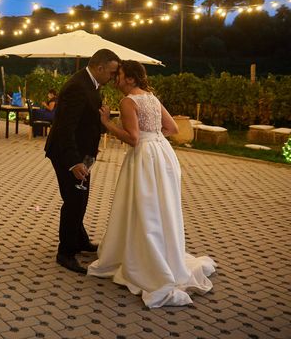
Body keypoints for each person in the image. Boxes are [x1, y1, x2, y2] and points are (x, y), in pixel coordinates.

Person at [88, 60, 215, 307]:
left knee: (143, 208)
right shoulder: (152, 98)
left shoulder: (128, 101)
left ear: (131, 79)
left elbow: (133, 139)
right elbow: (172, 128)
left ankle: (146, 260)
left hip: (145, 158)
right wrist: (154, 138)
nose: (116, 80)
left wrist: (107, 124)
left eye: (120, 76)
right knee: (162, 207)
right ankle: (165, 255)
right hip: (164, 155)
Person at [44, 48, 120, 274]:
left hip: (83, 153)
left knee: (81, 197)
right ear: (100, 67)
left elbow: (85, 121)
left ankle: (80, 240)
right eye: (112, 72)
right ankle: (65, 252)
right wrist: (74, 162)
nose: (113, 77)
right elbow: (65, 128)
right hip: (67, 154)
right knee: (75, 200)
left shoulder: (92, 84)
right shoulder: (77, 86)